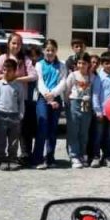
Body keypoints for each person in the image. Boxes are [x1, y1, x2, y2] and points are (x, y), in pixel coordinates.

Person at [33, 41, 67, 169]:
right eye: (47, 50)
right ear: (43, 51)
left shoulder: (62, 65)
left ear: (56, 51)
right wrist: (48, 96)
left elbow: (63, 82)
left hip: (56, 98)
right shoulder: (39, 64)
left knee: (53, 129)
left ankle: (50, 157)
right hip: (43, 98)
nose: (50, 53)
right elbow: (40, 82)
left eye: (52, 50)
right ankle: (38, 158)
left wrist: (53, 95)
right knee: (42, 126)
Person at [0, 58, 25, 171]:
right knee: (1, 139)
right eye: (5, 70)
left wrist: (21, 115)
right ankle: (1, 160)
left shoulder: (18, 86)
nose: (7, 72)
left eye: (10, 70)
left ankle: (12, 159)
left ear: (15, 71)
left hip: (14, 116)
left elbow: (21, 102)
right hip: (1, 115)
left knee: (13, 140)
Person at [63, 54, 94, 168]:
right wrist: (67, 103)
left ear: (88, 64)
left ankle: (82, 154)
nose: (81, 65)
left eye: (84, 63)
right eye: (79, 63)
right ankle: (74, 155)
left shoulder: (92, 76)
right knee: (73, 131)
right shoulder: (73, 75)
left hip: (86, 105)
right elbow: (67, 90)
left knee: (84, 132)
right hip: (74, 103)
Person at [90, 51, 110, 166]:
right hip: (101, 112)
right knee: (98, 135)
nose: (108, 66)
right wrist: (97, 111)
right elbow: (95, 95)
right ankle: (96, 156)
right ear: (102, 64)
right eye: (106, 63)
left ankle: (108, 157)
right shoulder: (99, 78)